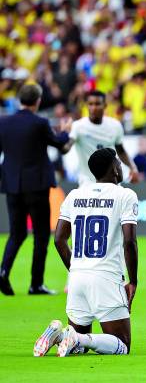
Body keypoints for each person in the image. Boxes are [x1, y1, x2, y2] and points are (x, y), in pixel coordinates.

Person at [33, 148, 139, 357]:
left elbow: (59, 239)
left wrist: (75, 269)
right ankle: (75, 336)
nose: (120, 165)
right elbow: (129, 242)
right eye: (118, 162)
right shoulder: (125, 195)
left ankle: (61, 335)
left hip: (77, 279)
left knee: (78, 348)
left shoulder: (75, 194)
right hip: (106, 278)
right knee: (122, 344)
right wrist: (133, 280)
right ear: (114, 170)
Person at [0, 84, 72, 296]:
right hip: (37, 186)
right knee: (41, 235)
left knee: (17, 233)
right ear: (38, 100)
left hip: (12, 185)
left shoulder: (4, 122)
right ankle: (36, 284)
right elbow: (58, 143)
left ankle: (3, 272)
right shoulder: (40, 123)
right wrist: (66, 132)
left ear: (19, 99)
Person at [62, 90, 139, 185]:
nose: (93, 108)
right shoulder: (78, 126)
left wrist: (133, 168)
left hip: (111, 182)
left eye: (97, 104)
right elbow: (65, 149)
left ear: (105, 106)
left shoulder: (115, 126)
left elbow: (121, 151)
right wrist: (64, 134)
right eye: (90, 104)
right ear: (87, 105)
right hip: (87, 182)